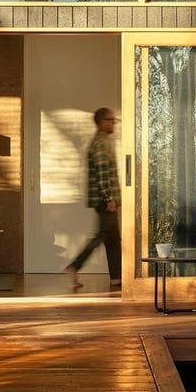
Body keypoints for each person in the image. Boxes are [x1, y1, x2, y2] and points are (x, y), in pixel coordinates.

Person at [65, 107, 121, 290]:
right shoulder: (100, 144)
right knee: (102, 236)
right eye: (111, 120)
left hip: (106, 200)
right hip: (105, 200)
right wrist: (109, 198)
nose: (114, 123)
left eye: (114, 120)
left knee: (112, 239)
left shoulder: (103, 142)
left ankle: (116, 278)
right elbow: (102, 174)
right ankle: (74, 266)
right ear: (101, 122)